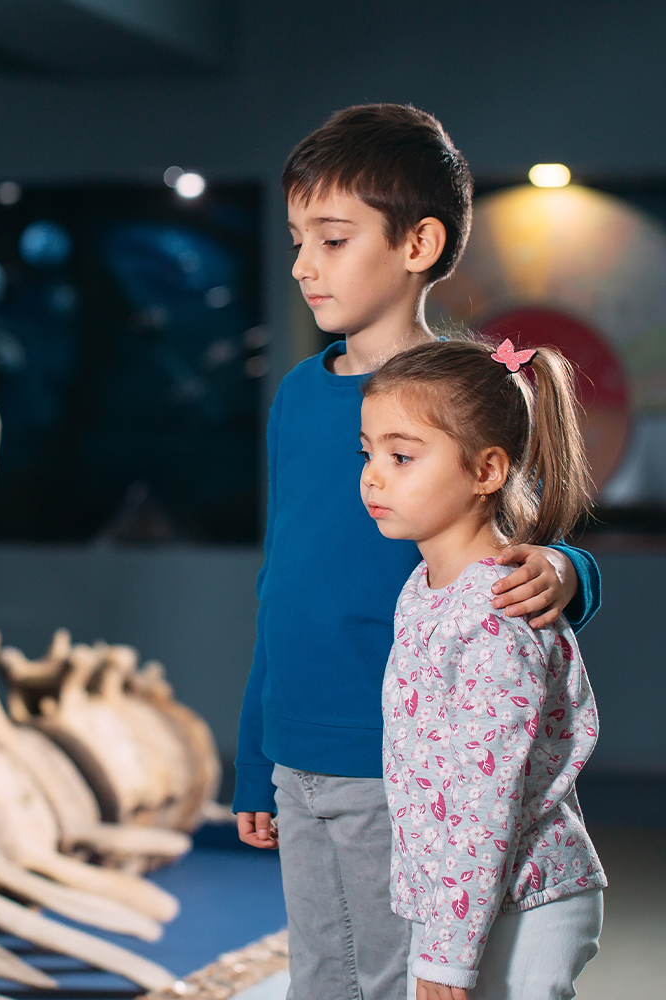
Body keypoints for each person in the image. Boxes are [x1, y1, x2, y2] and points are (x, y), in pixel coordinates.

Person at [233, 104, 602, 1000]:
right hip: (296, 756)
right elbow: (281, 582)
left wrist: (567, 571)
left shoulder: (467, 397)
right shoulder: (295, 394)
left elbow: (529, 539)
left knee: (396, 981)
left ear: (418, 243)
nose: (302, 265)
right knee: (320, 976)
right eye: (296, 240)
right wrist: (254, 750)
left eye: (330, 238)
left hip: (400, 764)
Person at [359, 337, 605, 999]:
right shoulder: (423, 587)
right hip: (466, 904)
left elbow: (484, 801)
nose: (373, 475)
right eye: (369, 452)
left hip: (521, 901)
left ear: (487, 470)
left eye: (401, 456)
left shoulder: (496, 612)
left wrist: (447, 955)